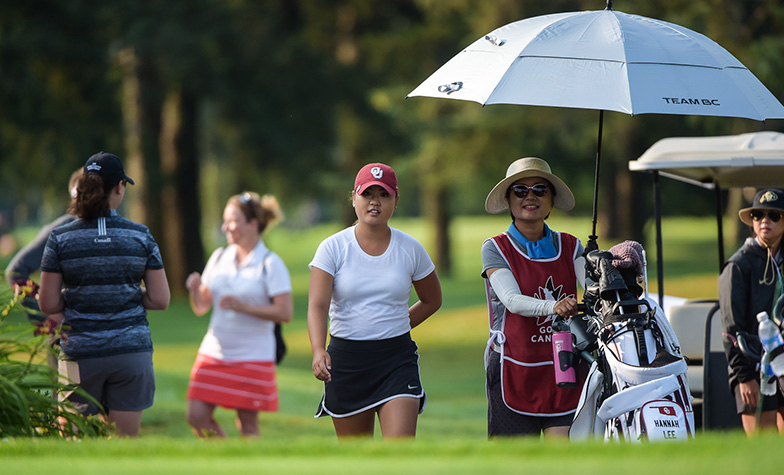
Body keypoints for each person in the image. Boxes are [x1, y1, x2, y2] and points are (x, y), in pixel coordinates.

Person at [38, 152, 170, 437]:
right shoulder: (141, 236)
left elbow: (47, 303)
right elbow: (160, 299)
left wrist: (75, 297)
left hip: (80, 353)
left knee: (75, 446)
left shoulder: (60, 238)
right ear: (120, 186)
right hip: (131, 353)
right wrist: (130, 294)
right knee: (123, 449)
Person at [307, 162, 442, 439]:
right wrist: (318, 349)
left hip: (396, 359)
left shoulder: (410, 248)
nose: (375, 202)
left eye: (384, 195)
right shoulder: (332, 248)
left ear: (396, 201)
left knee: (399, 456)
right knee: (359, 461)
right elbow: (318, 306)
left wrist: (395, 325)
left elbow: (432, 300)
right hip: (347, 361)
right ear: (354, 198)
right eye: (368, 194)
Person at [481, 157, 586, 438]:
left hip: (565, 368)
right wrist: (555, 306)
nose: (530, 196)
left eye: (540, 189)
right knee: (515, 464)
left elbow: (594, 287)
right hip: (514, 368)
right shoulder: (495, 248)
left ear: (551, 200)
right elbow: (512, 301)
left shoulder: (572, 245)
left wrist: (612, 267)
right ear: (508, 199)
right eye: (520, 190)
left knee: (563, 462)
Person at [185, 191, 293, 438]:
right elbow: (201, 306)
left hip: (253, 355)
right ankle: (228, 463)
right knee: (196, 415)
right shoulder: (220, 257)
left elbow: (285, 313)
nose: (225, 227)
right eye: (225, 220)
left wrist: (245, 307)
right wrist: (194, 290)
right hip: (213, 352)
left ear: (252, 224)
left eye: (232, 220)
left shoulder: (270, 263)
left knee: (248, 425)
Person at [720, 188, 784, 435]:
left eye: (774, 215)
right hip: (753, 367)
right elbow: (730, 329)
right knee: (764, 448)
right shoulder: (738, 265)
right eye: (758, 215)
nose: (765, 220)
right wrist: (744, 376)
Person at [5, 168, 82, 326]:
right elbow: (16, 271)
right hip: (68, 338)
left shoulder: (114, 230)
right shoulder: (61, 231)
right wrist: (43, 317)